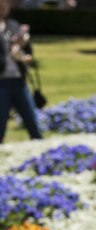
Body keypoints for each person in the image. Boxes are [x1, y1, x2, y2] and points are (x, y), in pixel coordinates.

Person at [0, 0, 42, 143]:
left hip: (18, 80)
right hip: (1, 82)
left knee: (31, 119)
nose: (3, 10)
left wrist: (23, 44)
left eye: (5, 7)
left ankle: (39, 149)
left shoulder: (13, 25)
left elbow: (28, 50)